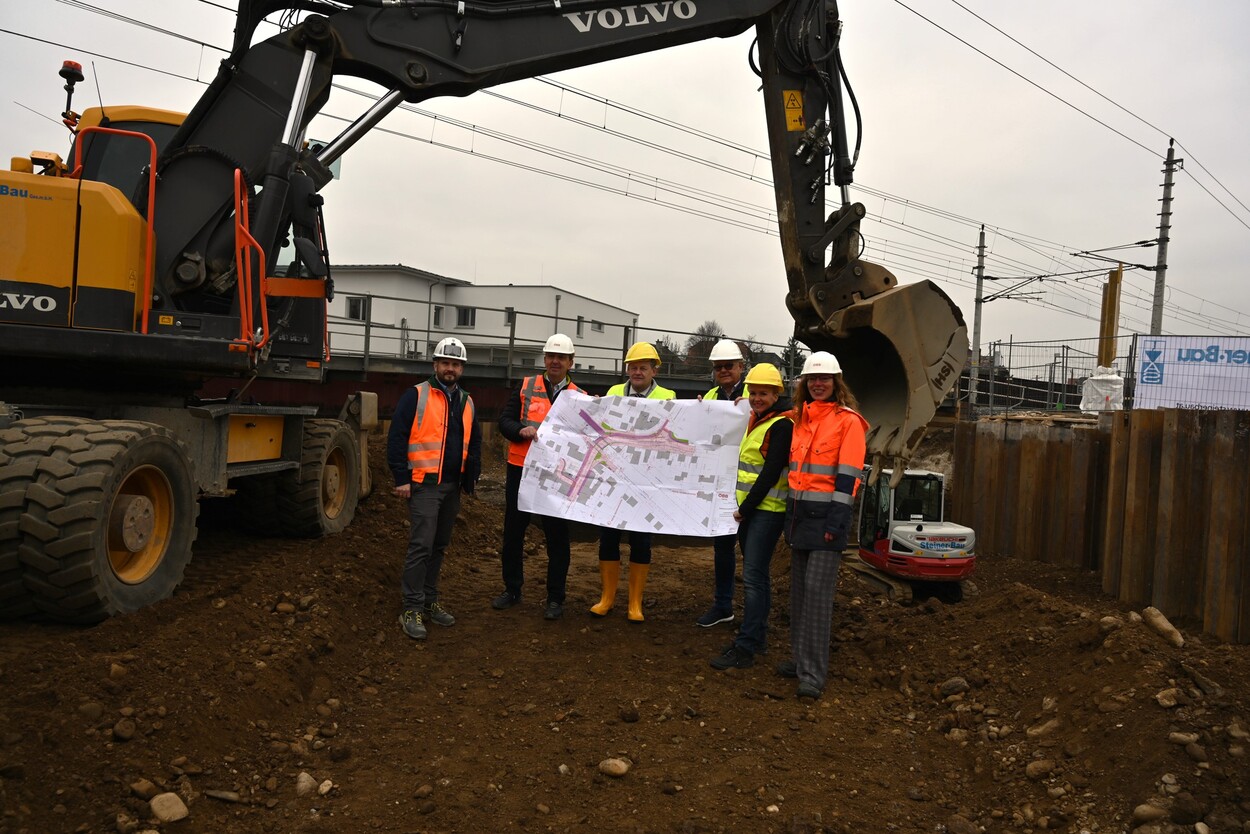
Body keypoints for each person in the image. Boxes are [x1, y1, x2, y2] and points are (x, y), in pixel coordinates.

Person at [776, 351, 866, 698]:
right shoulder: (799, 418)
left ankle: (813, 673)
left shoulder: (849, 422)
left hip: (828, 520)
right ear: (803, 384)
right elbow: (765, 416)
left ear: (835, 383)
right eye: (812, 379)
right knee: (799, 593)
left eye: (824, 379)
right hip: (799, 518)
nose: (817, 384)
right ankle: (800, 660)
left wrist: (837, 522)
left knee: (816, 594)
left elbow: (848, 478)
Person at [387, 336, 482, 641]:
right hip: (424, 485)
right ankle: (411, 607)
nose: (450, 369)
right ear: (435, 365)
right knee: (421, 546)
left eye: (455, 364)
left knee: (439, 546)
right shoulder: (416, 395)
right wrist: (401, 478)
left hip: (452, 488)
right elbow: (397, 438)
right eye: (445, 363)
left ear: (462, 368)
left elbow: (475, 443)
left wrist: (471, 479)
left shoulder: (466, 401)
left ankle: (429, 600)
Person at [708, 363, 793, 670]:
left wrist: (744, 510)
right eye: (753, 393)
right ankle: (757, 638)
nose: (757, 398)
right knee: (759, 578)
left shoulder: (781, 425)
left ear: (776, 394)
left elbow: (770, 473)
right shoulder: (760, 419)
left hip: (764, 512)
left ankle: (745, 646)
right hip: (755, 512)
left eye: (764, 393)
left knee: (754, 579)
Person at [491, 334, 582, 619]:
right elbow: (504, 421)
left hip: (557, 475)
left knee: (557, 536)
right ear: (545, 359)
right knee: (514, 532)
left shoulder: (579, 396)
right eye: (551, 356)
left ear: (570, 362)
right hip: (521, 469)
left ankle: (555, 598)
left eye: (561, 358)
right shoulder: (526, 386)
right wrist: (520, 430)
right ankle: (512, 589)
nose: (555, 361)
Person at [591, 341, 675, 622]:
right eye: (633, 367)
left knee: (641, 541)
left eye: (643, 367)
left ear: (654, 370)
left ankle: (635, 603)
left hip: (645, 483)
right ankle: (607, 598)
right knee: (608, 540)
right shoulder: (613, 393)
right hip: (614, 480)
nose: (637, 372)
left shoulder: (668, 395)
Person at [697, 338, 750, 628]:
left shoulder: (755, 394)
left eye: (728, 366)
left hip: (751, 485)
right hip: (723, 484)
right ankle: (723, 605)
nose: (723, 371)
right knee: (723, 547)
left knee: (751, 552)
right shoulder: (711, 397)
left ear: (741, 366)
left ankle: (753, 615)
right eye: (718, 367)